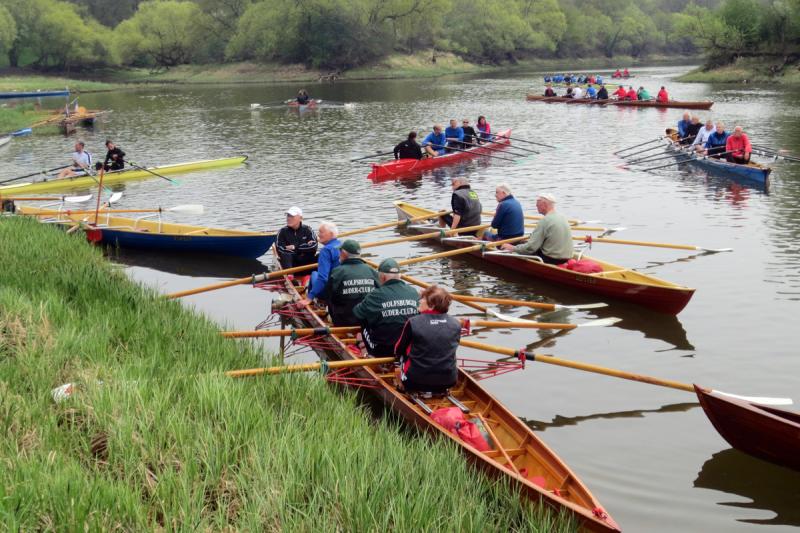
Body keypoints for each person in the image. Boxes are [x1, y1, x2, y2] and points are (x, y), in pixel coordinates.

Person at [394, 285, 461, 394]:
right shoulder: (456, 323)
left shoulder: (413, 322)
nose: (420, 301)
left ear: (432, 306)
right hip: (449, 381)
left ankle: (402, 383)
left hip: (414, 381)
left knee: (400, 356)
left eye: (423, 299)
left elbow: (398, 348)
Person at [353, 258, 419, 357]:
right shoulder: (413, 292)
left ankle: (365, 348)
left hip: (382, 350)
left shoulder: (375, 295)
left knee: (363, 319)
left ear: (382, 277)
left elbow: (357, 313)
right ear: (399, 277)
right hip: (408, 347)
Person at [500, 193, 573, 265]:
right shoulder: (563, 217)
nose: (536, 206)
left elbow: (531, 248)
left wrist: (513, 248)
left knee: (520, 247)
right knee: (524, 243)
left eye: (538, 205)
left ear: (544, 204)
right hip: (566, 258)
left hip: (551, 259)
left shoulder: (545, 221)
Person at [324, 239, 380, 326]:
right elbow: (380, 295)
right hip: (368, 320)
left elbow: (329, 297)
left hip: (344, 321)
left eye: (340, 251)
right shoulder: (371, 270)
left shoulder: (337, 272)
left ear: (343, 254)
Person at [300, 221, 341, 306]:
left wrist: (309, 298)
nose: (318, 235)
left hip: (330, 292)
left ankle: (313, 300)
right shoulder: (343, 245)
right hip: (342, 289)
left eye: (321, 232)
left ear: (331, 234)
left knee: (314, 274)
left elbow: (323, 278)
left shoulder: (326, 250)